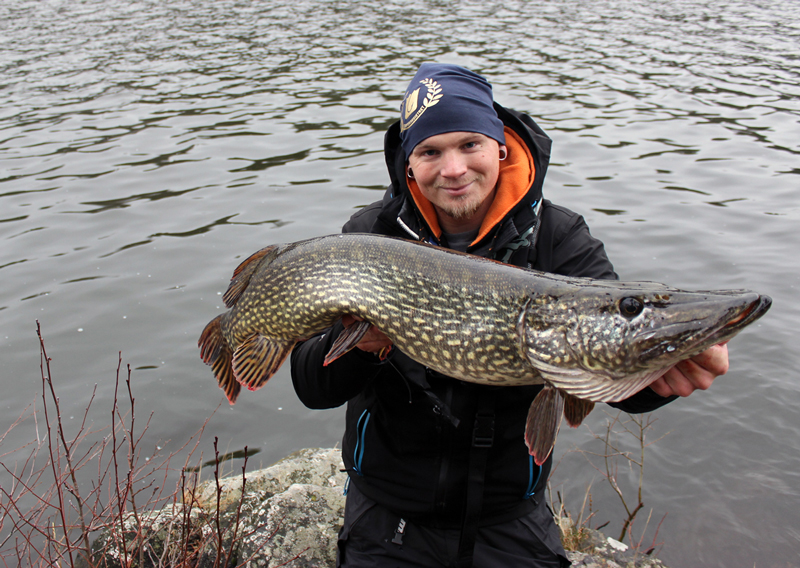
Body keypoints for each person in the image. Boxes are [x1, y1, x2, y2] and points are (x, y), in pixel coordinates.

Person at [290, 63, 728, 568]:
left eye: (469, 144)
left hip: (507, 519)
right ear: (409, 165)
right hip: (388, 516)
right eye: (431, 151)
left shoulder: (558, 239)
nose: (453, 169)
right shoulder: (372, 234)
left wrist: (657, 376)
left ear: (500, 144)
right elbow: (311, 386)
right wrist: (358, 351)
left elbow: (605, 349)